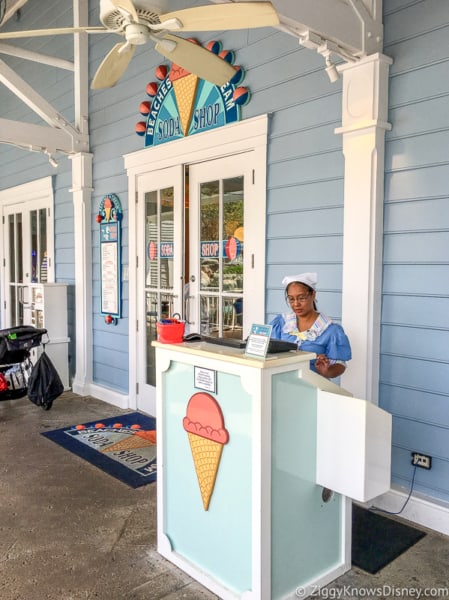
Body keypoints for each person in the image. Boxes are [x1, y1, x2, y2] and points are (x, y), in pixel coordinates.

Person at [270, 272, 351, 379]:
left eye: (301, 298)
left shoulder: (330, 330)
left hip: (313, 387)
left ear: (313, 294)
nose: (296, 304)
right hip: (282, 383)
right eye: (291, 299)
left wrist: (326, 371)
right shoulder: (281, 323)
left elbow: (340, 364)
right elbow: (268, 350)